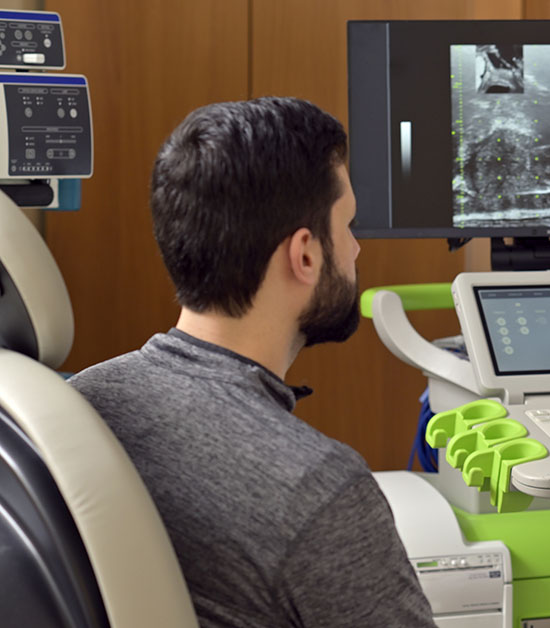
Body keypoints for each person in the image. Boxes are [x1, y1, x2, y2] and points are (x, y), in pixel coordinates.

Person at [69, 97, 436, 628]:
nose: (355, 250)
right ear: (305, 255)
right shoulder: (318, 489)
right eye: (348, 225)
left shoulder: (82, 403)